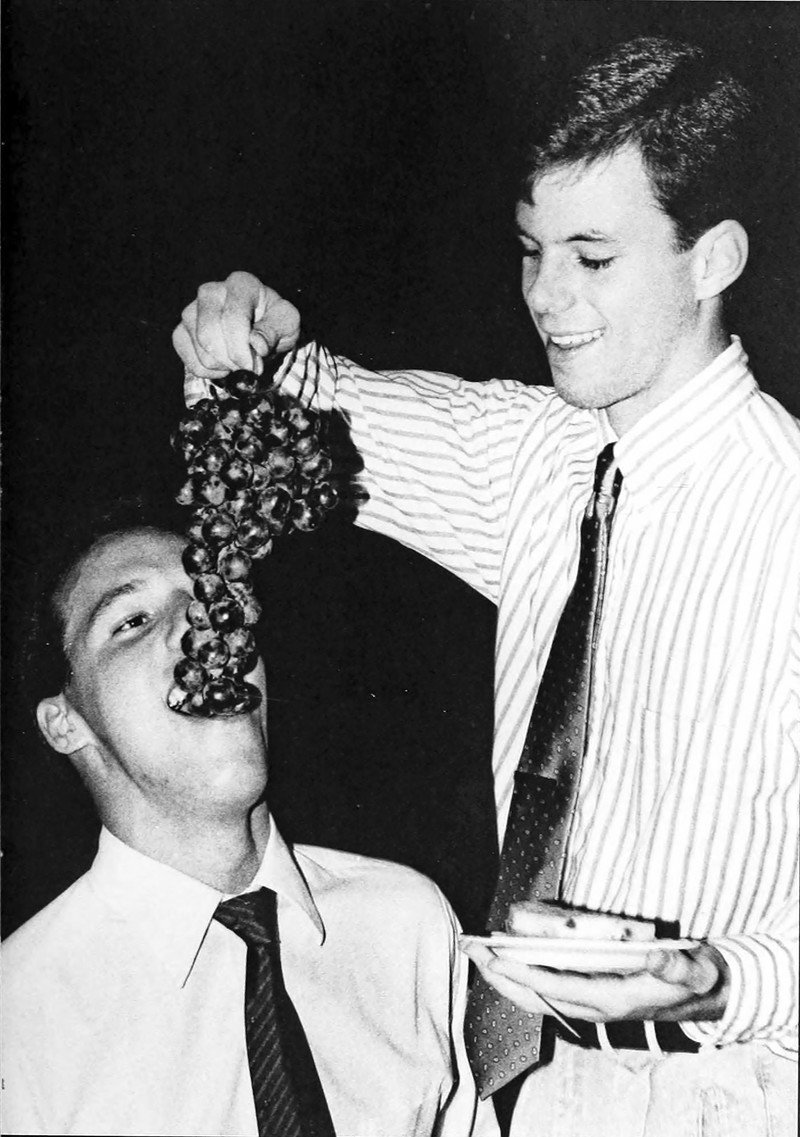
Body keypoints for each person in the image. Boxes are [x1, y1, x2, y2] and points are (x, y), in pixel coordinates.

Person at [172, 34, 799, 1137]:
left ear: (713, 260)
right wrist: (245, 331)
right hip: (525, 1090)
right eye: (529, 249)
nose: (545, 297)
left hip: (733, 1095)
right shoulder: (538, 453)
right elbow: (292, 407)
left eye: (591, 258)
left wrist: (715, 979)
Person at [0, 514, 498, 1137]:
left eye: (216, 596)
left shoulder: (409, 921)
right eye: (132, 621)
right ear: (65, 722)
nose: (204, 626)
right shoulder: (19, 1018)